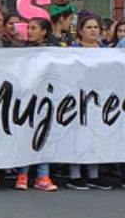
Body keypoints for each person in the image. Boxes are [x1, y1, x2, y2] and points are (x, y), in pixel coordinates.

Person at [66, 13, 112, 190]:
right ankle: (75, 175)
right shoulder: (72, 50)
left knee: (95, 136)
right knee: (77, 136)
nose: (93, 31)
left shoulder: (107, 51)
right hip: (76, 98)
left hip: (101, 99)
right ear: (81, 31)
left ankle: (94, 175)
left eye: (96, 27)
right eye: (89, 27)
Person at [14, 17, 57, 192]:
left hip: (48, 98)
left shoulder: (55, 51)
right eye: (28, 28)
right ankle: (22, 174)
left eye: (34, 28)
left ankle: (42, 175)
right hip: (25, 98)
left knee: (44, 135)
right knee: (25, 134)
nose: (29, 31)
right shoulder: (19, 50)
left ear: (44, 31)